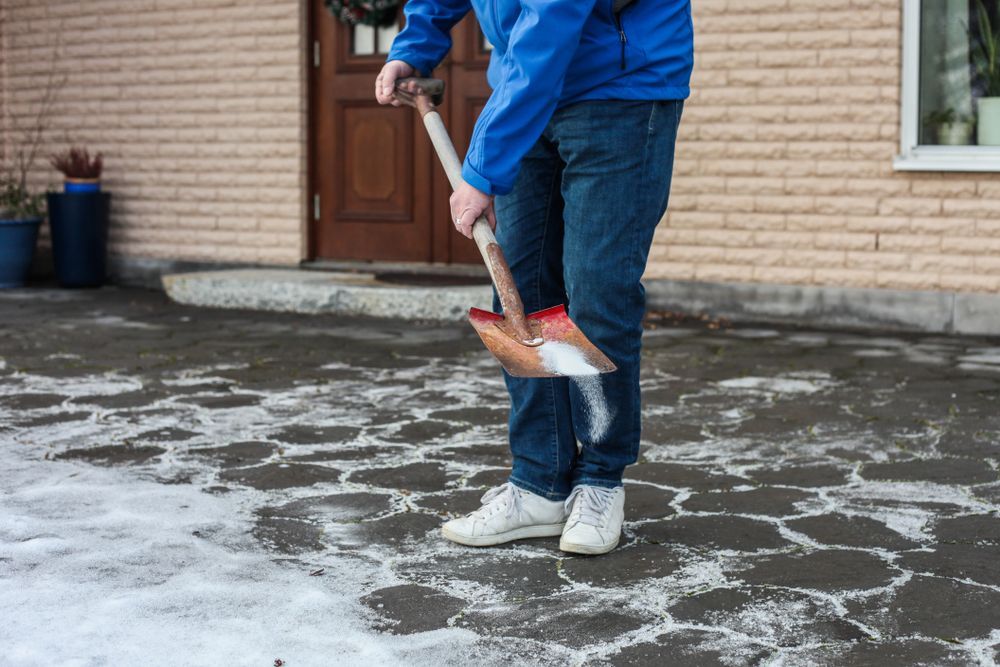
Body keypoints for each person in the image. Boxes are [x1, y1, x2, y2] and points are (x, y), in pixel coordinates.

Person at [375, 0, 693, 555]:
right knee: (518, 296)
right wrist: (415, 45)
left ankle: (599, 480)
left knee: (597, 293)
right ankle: (539, 483)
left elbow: (552, 19)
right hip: (525, 91)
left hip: (620, 88)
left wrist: (482, 170)